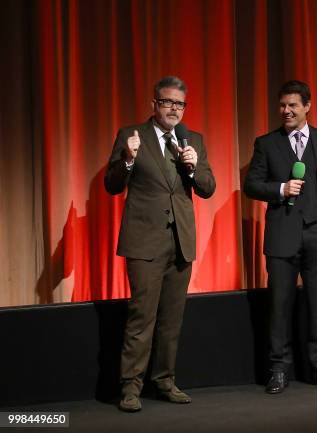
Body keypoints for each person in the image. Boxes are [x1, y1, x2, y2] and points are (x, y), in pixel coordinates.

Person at [104, 76, 215, 411]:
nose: (173, 109)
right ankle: (130, 387)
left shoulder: (192, 139)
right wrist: (127, 159)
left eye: (179, 104)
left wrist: (194, 169)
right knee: (142, 317)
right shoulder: (131, 135)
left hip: (180, 241)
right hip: (144, 241)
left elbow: (208, 188)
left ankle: (165, 381)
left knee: (172, 319)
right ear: (154, 105)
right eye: (166, 102)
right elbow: (111, 185)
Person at [244, 80, 317, 394]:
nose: (286, 111)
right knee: (280, 304)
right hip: (282, 234)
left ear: (307, 106)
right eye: (282, 106)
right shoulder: (267, 143)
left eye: (292, 106)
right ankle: (278, 369)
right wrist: (280, 189)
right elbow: (252, 185)